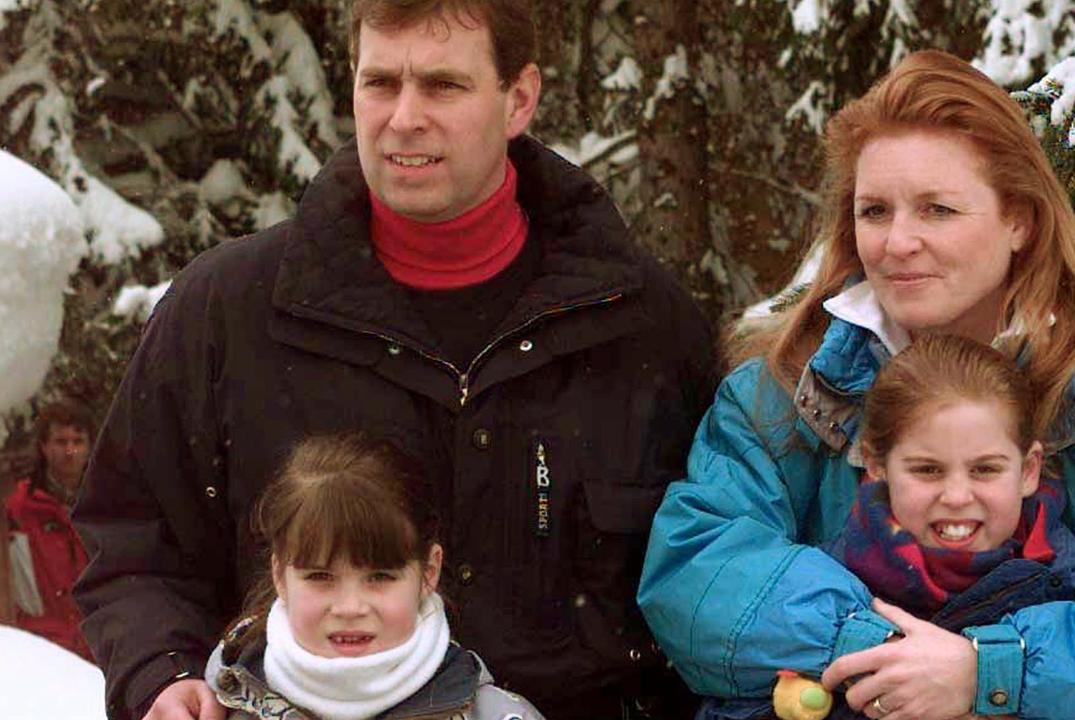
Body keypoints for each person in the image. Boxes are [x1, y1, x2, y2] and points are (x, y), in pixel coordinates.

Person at [73, 2, 716, 719]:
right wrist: (161, 671)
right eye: (381, 83)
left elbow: (716, 579)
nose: (404, 117)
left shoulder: (641, 324)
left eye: (443, 86)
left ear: (520, 99)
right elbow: (133, 544)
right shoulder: (228, 313)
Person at [638, 49, 1075, 720]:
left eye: (937, 210)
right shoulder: (777, 393)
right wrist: (884, 651)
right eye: (875, 211)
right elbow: (698, 572)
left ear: (1020, 220)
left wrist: (989, 671)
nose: (897, 242)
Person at [697, 335, 1075, 720]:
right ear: (876, 464)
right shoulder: (827, 584)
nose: (956, 496)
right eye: (927, 470)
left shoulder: (1065, 598)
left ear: (1028, 470)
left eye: (985, 469)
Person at [203, 433, 545, 720]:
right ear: (280, 574)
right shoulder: (220, 701)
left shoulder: (492, 714)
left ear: (429, 572)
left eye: (379, 576)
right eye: (320, 576)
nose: (350, 608)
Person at [4, 399, 94, 661]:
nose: (70, 450)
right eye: (60, 441)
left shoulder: (104, 507)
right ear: (43, 446)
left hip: (95, 653)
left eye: (77, 442)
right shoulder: (16, 509)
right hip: (40, 652)